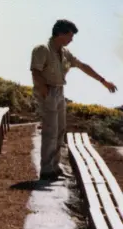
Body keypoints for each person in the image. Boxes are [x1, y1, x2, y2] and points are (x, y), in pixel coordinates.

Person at [30, 19, 117, 181]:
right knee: (51, 130)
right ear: (61, 34)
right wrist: (44, 92)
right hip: (48, 91)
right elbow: (35, 72)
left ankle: (55, 167)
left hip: (59, 91)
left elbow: (82, 66)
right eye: (70, 35)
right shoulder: (42, 49)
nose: (72, 39)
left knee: (60, 129)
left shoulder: (64, 52)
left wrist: (102, 81)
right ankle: (47, 170)